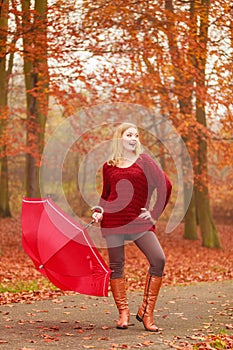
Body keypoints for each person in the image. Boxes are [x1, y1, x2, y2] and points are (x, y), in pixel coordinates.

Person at [92, 122, 172, 332]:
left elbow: (166, 185)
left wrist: (153, 214)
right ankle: (123, 313)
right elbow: (105, 194)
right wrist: (99, 210)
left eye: (136, 135)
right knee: (116, 266)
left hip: (138, 222)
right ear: (120, 138)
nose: (134, 138)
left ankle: (146, 312)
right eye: (129, 134)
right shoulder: (109, 166)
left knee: (158, 259)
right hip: (113, 222)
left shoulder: (145, 161)